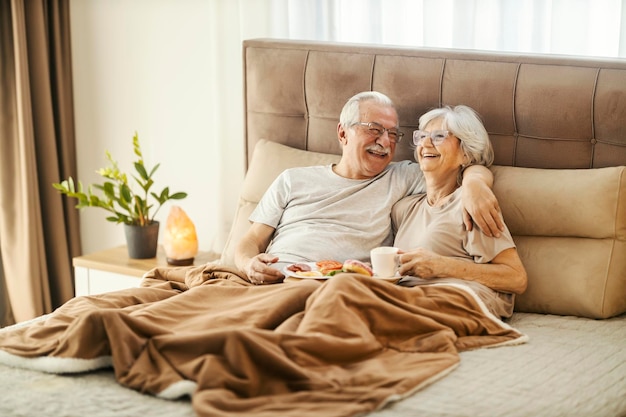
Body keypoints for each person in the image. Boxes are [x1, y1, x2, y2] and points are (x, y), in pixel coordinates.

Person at [236, 91, 505, 285]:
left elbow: (460, 163)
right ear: (343, 133)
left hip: (336, 287)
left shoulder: (402, 177)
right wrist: (249, 265)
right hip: (273, 279)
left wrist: (475, 183)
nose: (385, 142)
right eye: (374, 129)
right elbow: (251, 241)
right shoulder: (292, 179)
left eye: (392, 134)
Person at [392, 105, 527, 317]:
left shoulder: (472, 204)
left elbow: (516, 278)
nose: (426, 143)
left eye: (439, 136)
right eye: (422, 136)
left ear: (465, 154)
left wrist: (442, 266)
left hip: (451, 301)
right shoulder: (405, 209)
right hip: (407, 300)